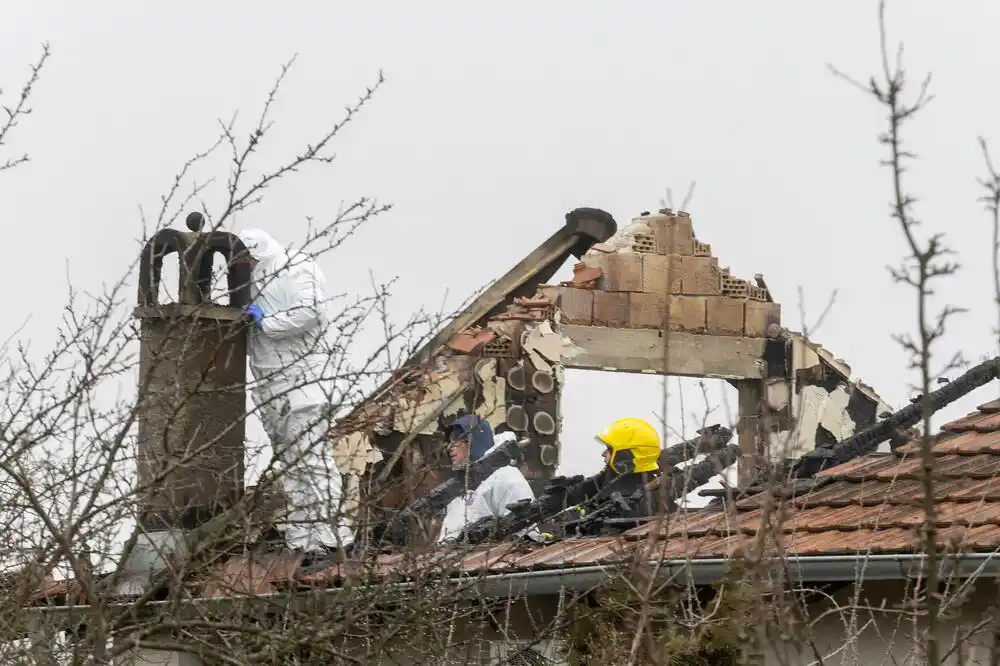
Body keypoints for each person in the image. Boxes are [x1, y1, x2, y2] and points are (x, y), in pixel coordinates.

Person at [237, 229, 354, 568]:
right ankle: (304, 540)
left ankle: (334, 540)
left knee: (313, 461)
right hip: (271, 382)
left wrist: (267, 321)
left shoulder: (297, 267)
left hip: (300, 380)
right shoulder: (253, 276)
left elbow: (310, 312)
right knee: (292, 466)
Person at [437, 415, 538, 544]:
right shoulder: (462, 485)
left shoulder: (505, 477)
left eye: (457, 440)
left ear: (475, 441)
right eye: (449, 441)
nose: (449, 447)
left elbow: (525, 539)